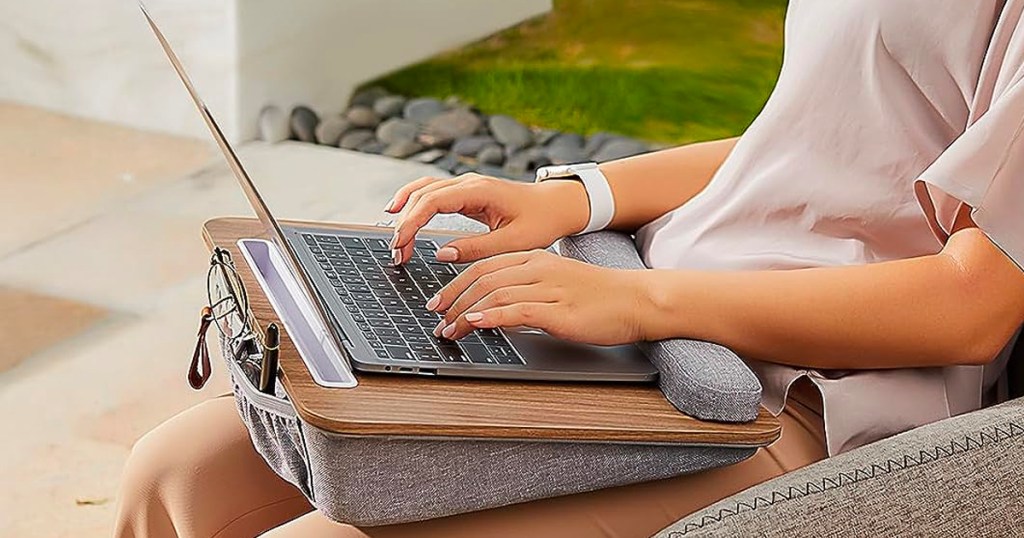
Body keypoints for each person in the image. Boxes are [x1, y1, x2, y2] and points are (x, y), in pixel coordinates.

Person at [115, 1, 1024, 536]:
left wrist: (639, 301)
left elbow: (973, 304)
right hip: (636, 322)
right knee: (175, 474)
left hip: (781, 399)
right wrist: (578, 200)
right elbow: (821, 140)